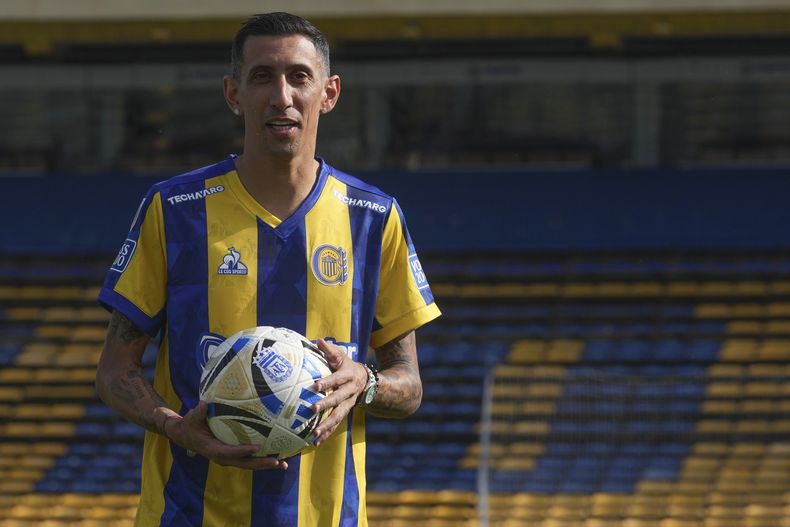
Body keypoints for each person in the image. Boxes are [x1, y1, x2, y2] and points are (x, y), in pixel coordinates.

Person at [95, 12, 440, 527]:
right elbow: (114, 370)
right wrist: (174, 426)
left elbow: (408, 385)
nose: (282, 96)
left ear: (329, 93)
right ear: (234, 94)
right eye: (262, 77)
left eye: (299, 77)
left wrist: (364, 383)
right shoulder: (176, 209)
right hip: (189, 515)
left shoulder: (373, 217)